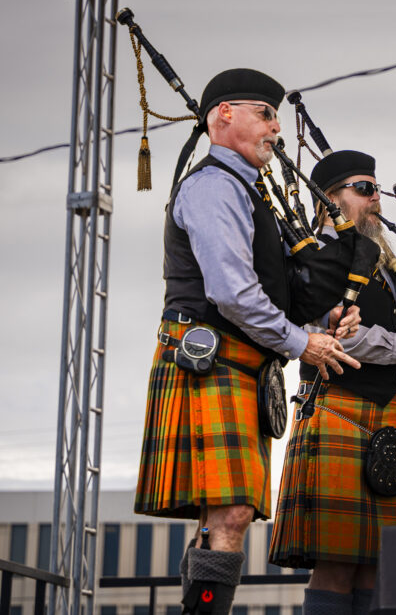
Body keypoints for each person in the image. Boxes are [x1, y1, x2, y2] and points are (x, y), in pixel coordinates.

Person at [133, 69, 362, 615]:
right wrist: (301, 344)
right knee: (231, 514)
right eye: (265, 113)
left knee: (222, 516)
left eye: (276, 115)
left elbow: (266, 289)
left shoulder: (247, 190)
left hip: (239, 365)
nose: (277, 128)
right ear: (224, 114)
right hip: (210, 361)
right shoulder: (214, 185)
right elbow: (233, 293)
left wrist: (315, 328)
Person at [269, 149, 396, 615]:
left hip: (390, 423)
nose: (376, 199)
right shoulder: (317, 256)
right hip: (337, 414)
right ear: (329, 201)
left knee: (378, 567)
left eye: (376, 188)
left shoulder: (388, 265)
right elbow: (331, 336)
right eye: (363, 189)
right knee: (337, 568)